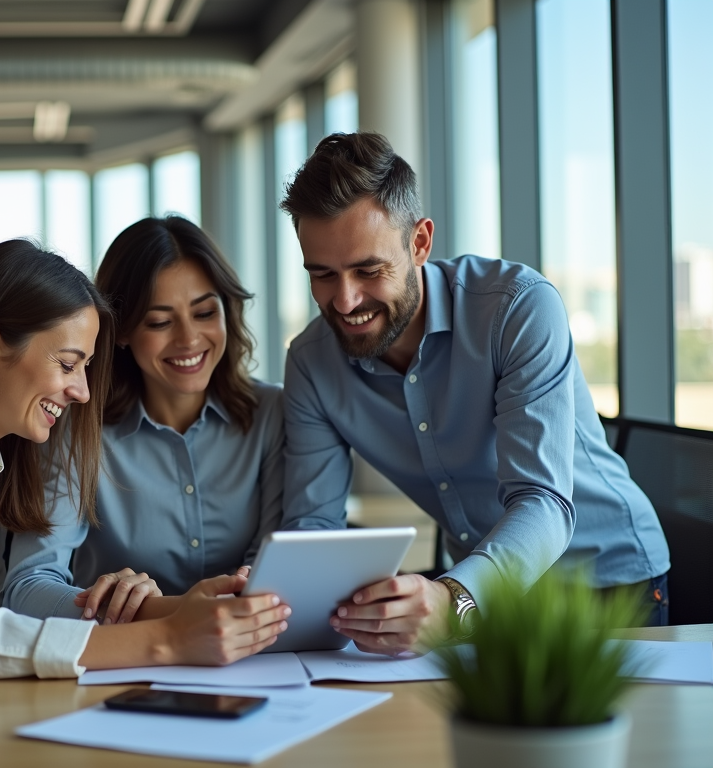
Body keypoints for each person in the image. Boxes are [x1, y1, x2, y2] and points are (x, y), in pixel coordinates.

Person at [0, 240, 289, 681]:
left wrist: (175, 609)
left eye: (84, 367)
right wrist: (166, 638)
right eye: (67, 364)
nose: (82, 391)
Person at [277, 132, 671, 652]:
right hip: (473, 590)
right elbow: (313, 524)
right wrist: (280, 600)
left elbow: (543, 501)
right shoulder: (311, 361)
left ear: (419, 242)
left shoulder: (517, 309)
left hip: (604, 583)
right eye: (322, 275)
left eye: (368, 271)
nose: (346, 301)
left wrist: (454, 599)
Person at [3, 217, 285, 626]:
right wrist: (143, 611)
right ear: (120, 331)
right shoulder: (73, 429)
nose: (189, 339)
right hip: (125, 662)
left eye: (205, 312)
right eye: (159, 321)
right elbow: (27, 586)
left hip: (256, 655)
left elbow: (276, 564)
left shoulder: (272, 413)